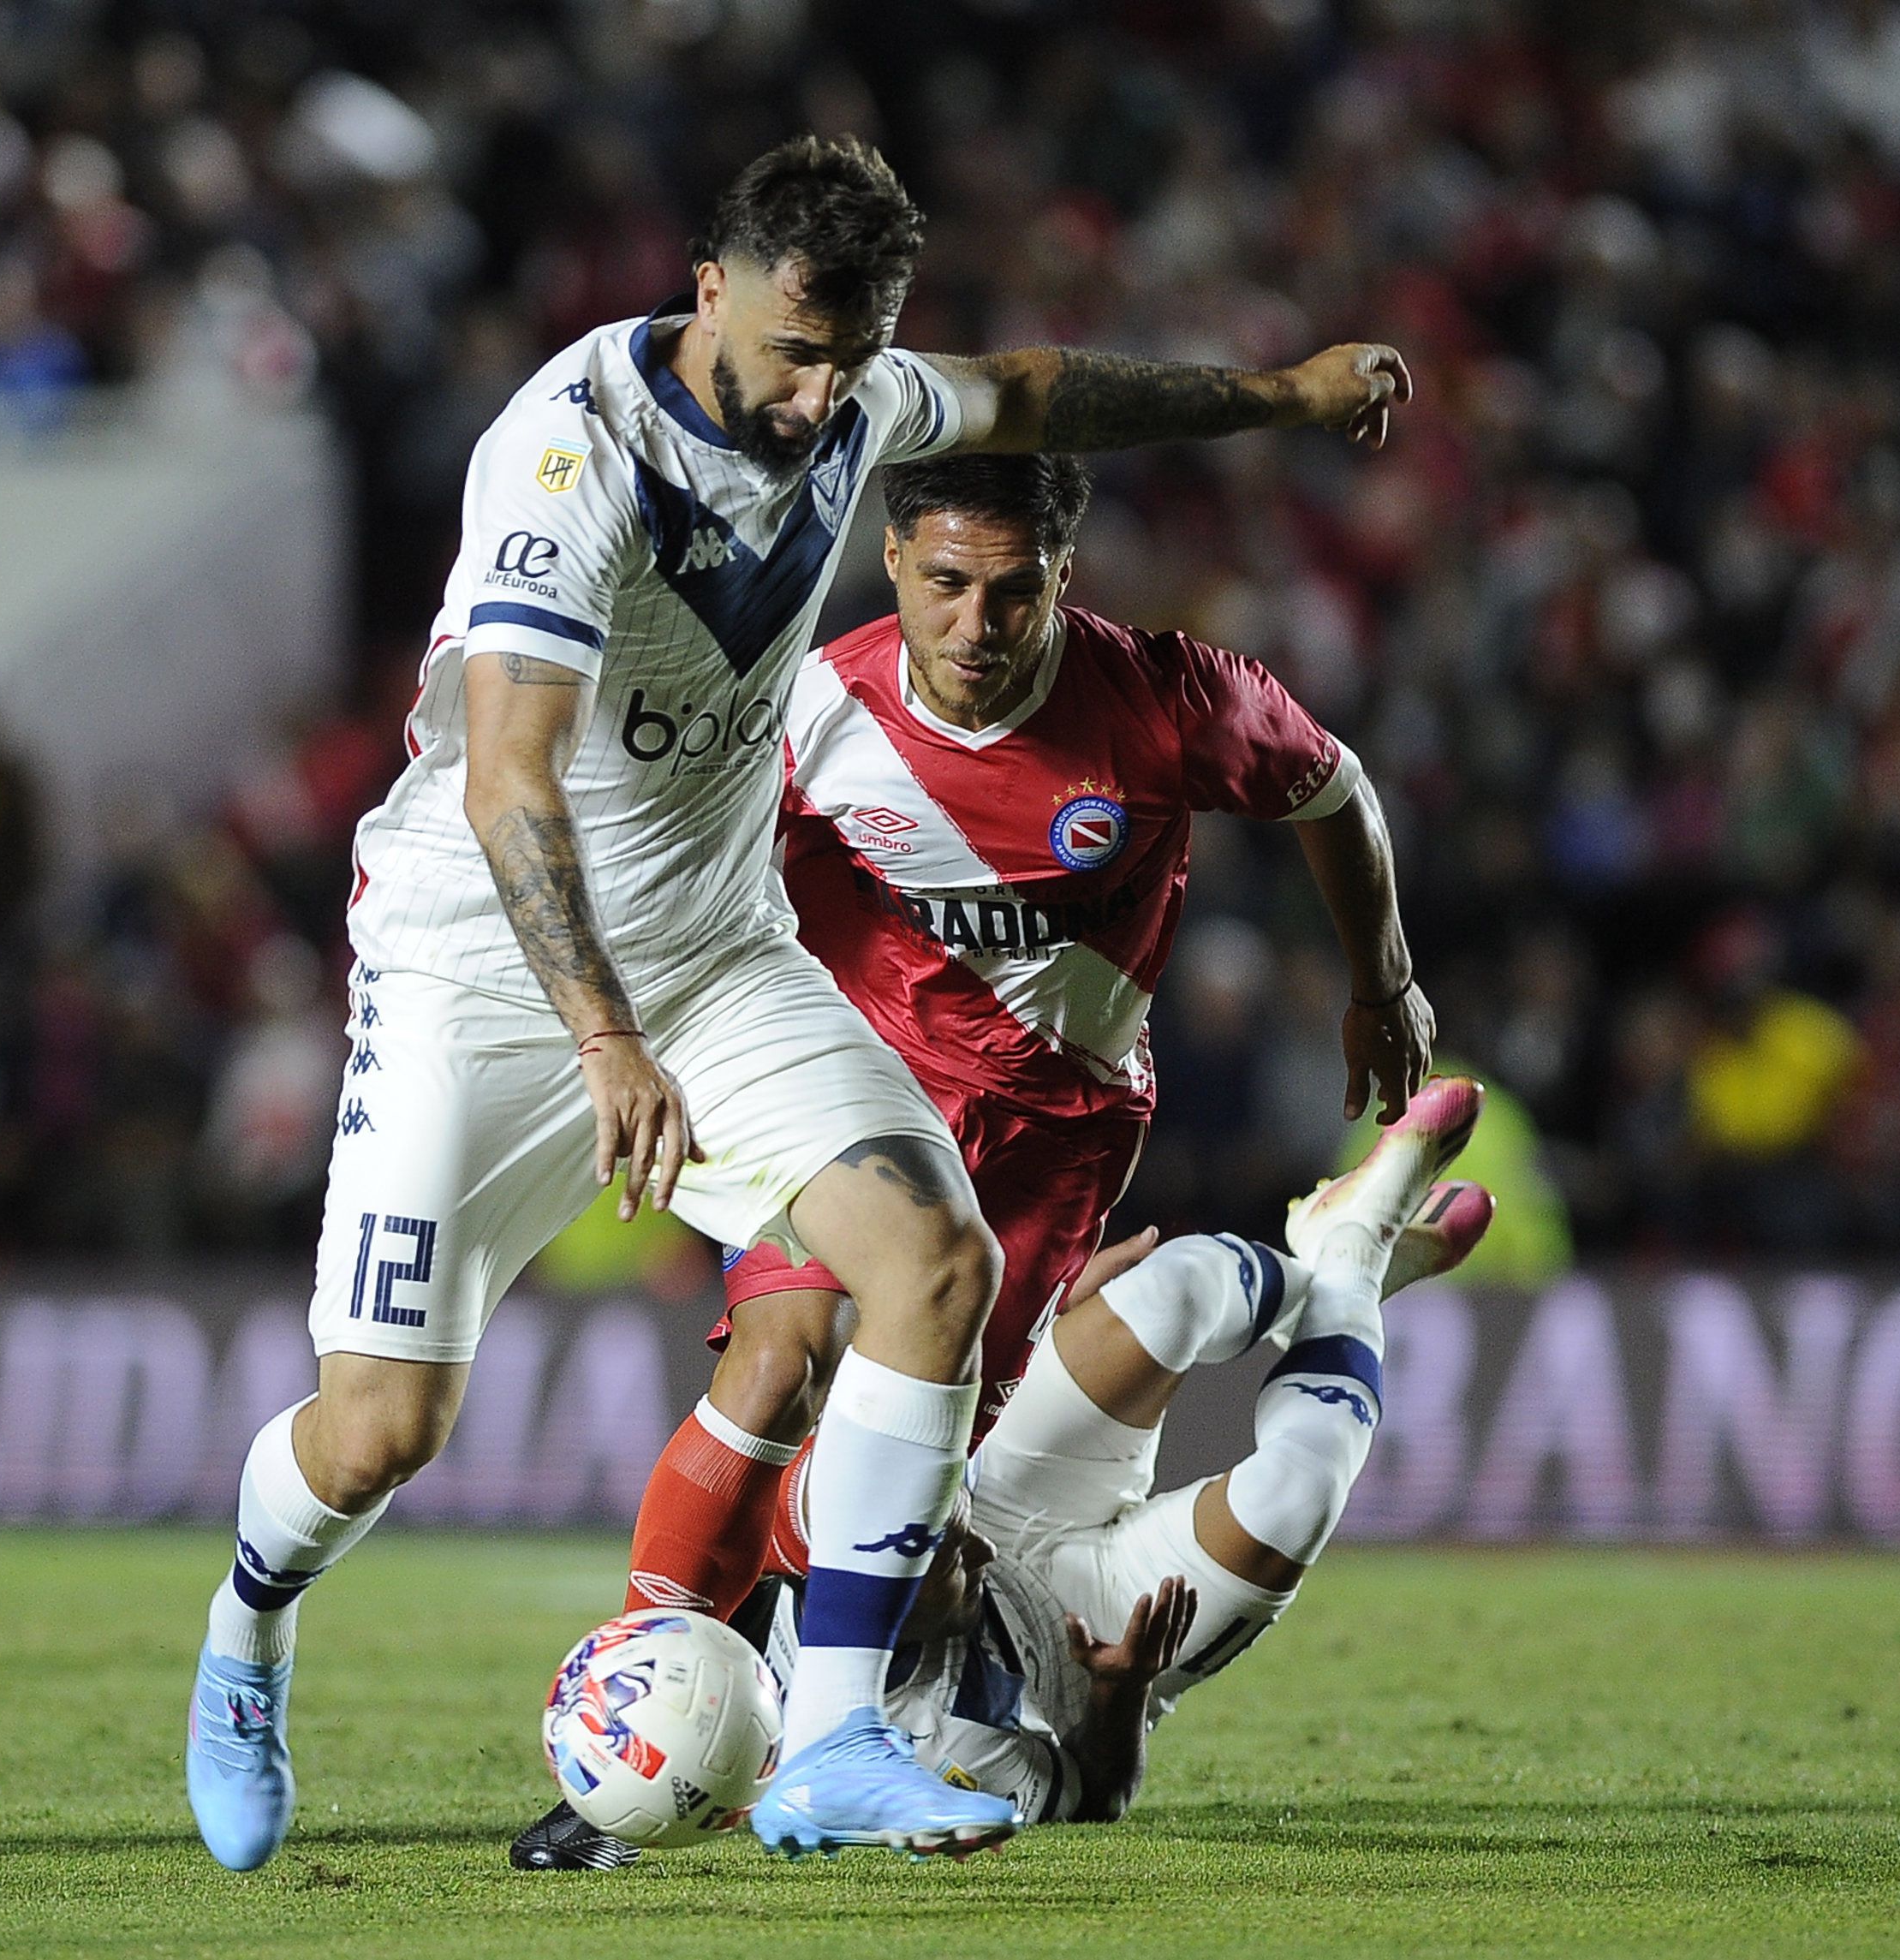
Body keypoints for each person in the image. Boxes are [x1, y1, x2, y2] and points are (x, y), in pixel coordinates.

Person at [186, 132, 1412, 1871]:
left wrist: (1280, 393)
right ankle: (245, 1636)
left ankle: (831, 1739)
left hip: (709, 954)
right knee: (382, 1426)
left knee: (932, 1264)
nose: (819, 396)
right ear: (705, 295)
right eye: (790, 353)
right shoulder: (566, 454)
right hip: (483, 966)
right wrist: (601, 1038)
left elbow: (1035, 391)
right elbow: (511, 778)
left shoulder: (851, 402)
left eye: (853, 357)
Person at [586, 450, 1434, 1684]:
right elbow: (683, 891)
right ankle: (632, 1695)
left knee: (910, 1525)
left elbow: (1336, 791)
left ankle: (796, 1694)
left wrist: (1381, 979)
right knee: (780, 1362)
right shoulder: (812, 712)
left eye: (1013, 594)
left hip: (1059, 1131)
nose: (974, 625)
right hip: (858, 1093)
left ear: (1062, 578)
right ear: (891, 561)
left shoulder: (1164, 699)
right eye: (944, 585)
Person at [521, 1081, 1489, 1867]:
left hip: (1010, 1480)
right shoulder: (951, 1768)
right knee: (1293, 1496)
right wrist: (1114, 1706)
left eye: (919, 1532)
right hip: (1084, 1636)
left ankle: (1324, 1271)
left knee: (1183, 1283)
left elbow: (861, 1446)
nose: (936, 1531)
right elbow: (1097, 1798)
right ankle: (1352, 1260)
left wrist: (1032, 1322)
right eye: (922, 1546)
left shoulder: (793, 1547)